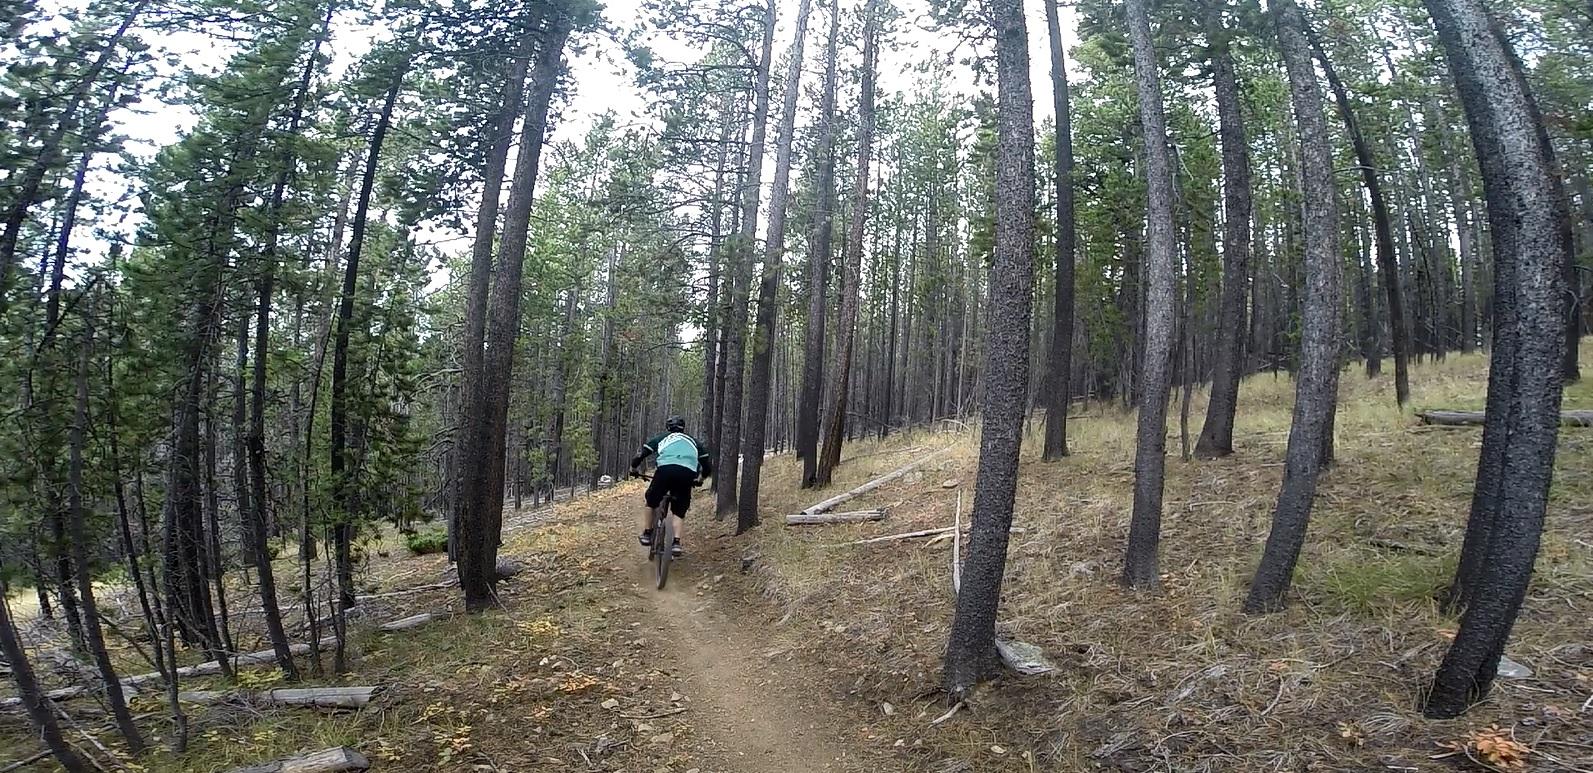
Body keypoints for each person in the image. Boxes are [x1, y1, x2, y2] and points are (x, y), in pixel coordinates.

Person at [630, 415, 713, 557]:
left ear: (668, 428)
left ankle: (647, 533)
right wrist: (700, 479)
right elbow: (706, 466)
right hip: (687, 474)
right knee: (679, 510)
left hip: (665, 470)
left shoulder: (662, 438)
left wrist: (633, 468)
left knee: (651, 500)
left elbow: (641, 454)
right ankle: (676, 543)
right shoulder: (694, 442)